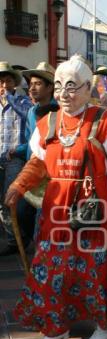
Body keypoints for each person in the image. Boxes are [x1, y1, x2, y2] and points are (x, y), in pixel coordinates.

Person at [5, 55, 107, 339]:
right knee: (51, 267)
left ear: (88, 88)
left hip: (97, 211)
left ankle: (103, 324)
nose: (63, 93)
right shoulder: (47, 123)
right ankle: (55, 326)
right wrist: (18, 186)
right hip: (57, 210)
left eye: (71, 86)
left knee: (96, 270)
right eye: (58, 85)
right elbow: (38, 163)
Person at [0, 61, 32, 256]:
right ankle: (12, 238)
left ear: (14, 83)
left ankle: (18, 240)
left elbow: (28, 115)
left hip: (15, 159)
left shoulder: (22, 101)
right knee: (1, 203)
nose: (4, 85)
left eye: (8, 81)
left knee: (11, 199)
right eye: (1, 81)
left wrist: (10, 99)